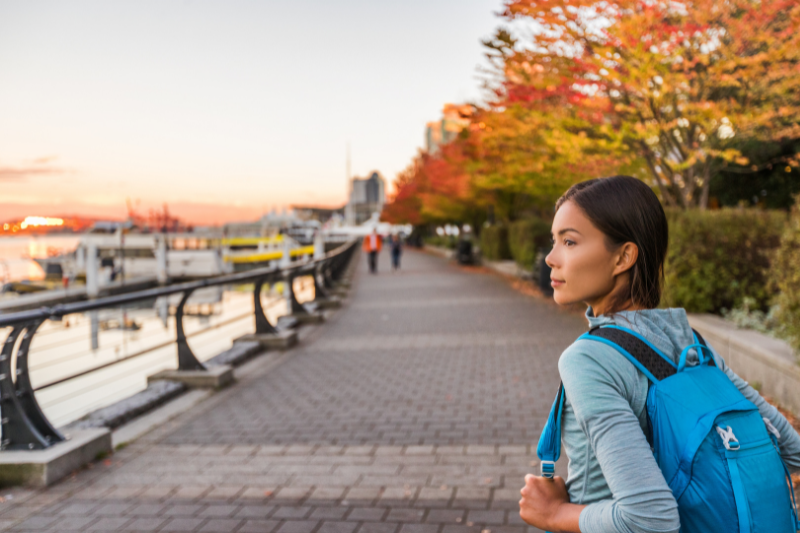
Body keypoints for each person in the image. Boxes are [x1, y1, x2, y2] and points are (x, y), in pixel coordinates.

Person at [518, 176, 800, 533]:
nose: (550, 258)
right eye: (554, 241)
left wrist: (554, 514)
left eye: (569, 241)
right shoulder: (693, 345)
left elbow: (650, 517)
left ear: (624, 256)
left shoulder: (588, 359)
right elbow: (790, 449)